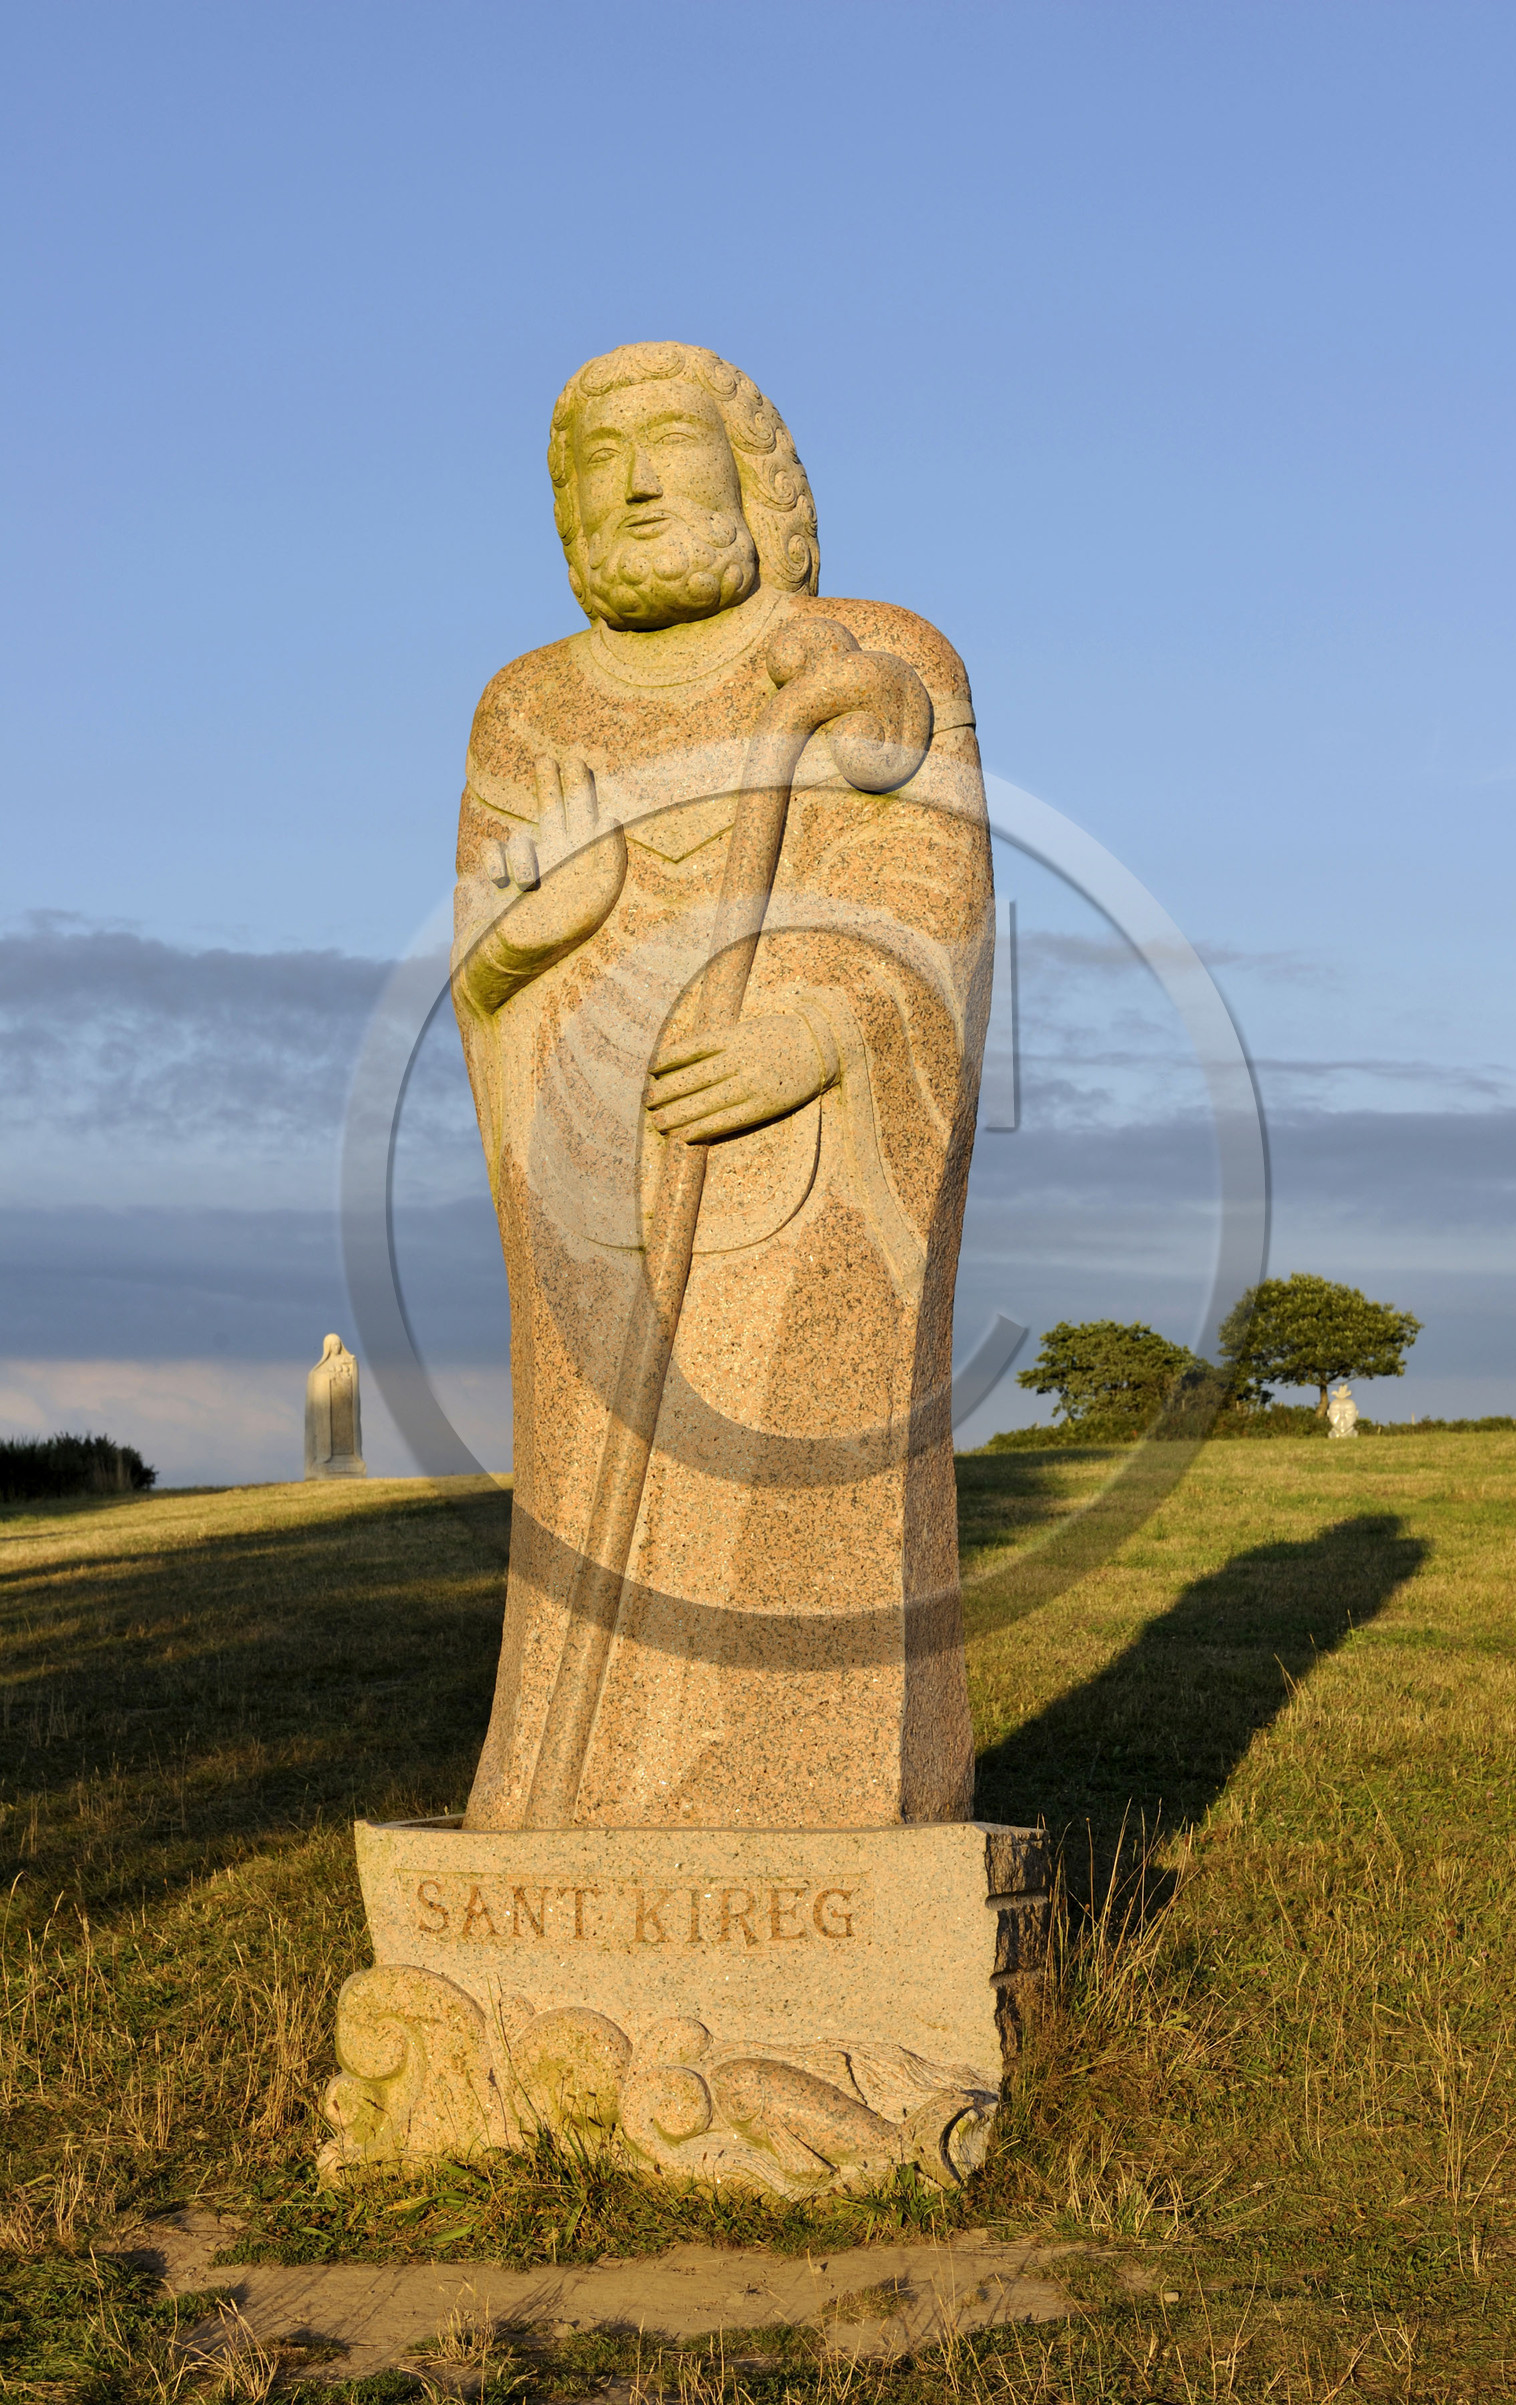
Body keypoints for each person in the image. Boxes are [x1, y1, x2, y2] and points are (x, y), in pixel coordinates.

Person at [453, 342, 992, 1832]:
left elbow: (929, 889)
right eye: (591, 466)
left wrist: (813, 1037)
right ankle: (572, 1801)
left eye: (664, 450)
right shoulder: (527, 708)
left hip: (812, 1171)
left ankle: (809, 1805)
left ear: (751, 477)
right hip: (601, 1166)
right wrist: (527, 944)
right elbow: (479, 963)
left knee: (782, 1466)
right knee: (595, 1471)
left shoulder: (877, 651)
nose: (626, 486)